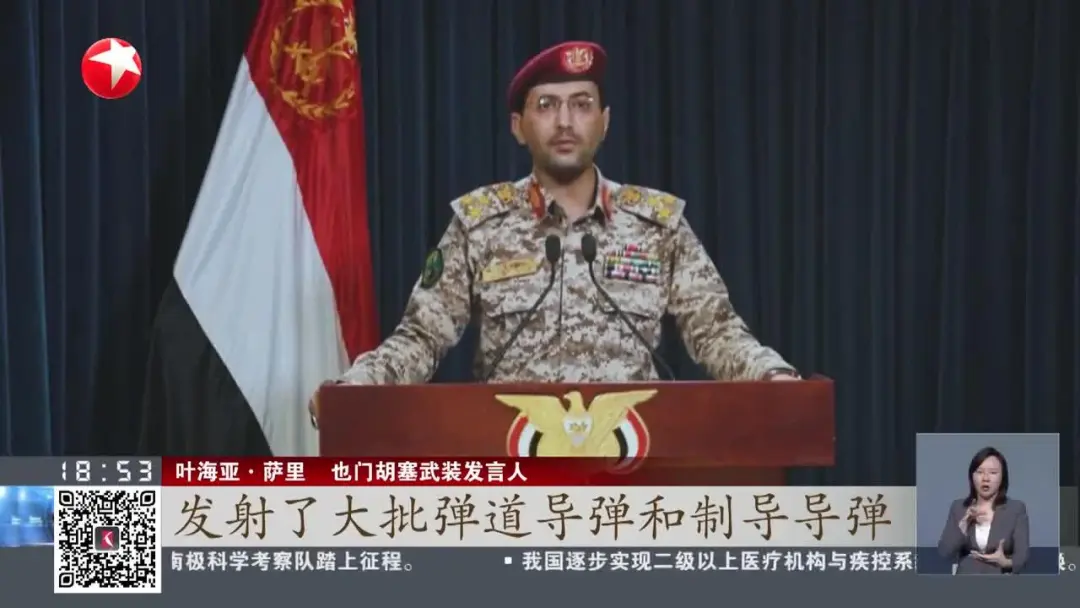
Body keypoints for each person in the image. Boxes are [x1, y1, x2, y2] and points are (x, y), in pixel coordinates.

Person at [309, 41, 798, 425]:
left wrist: (771, 376)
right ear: (518, 126)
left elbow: (716, 330)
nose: (565, 122)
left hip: (631, 461)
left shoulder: (658, 225)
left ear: (604, 122)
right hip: (513, 462)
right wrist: (359, 387)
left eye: (582, 105)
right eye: (546, 105)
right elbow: (422, 336)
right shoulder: (480, 225)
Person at [937, 446, 1030, 574]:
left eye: (993, 472)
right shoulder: (959, 507)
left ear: (1002, 477)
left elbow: (1022, 556)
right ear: (972, 476)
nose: (985, 478)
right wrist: (963, 526)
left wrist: (1005, 562)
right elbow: (944, 552)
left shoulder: (1015, 509)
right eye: (979, 472)